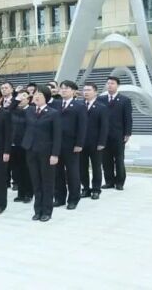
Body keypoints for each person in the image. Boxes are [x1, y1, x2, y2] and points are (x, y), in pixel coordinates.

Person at [22, 85, 61, 222]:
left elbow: (57, 136)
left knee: (47, 182)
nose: (36, 96)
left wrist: (55, 154)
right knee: (36, 182)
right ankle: (37, 210)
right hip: (31, 151)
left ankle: (47, 211)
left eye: (40, 94)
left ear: (46, 97)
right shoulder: (29, 111)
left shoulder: (53, 113)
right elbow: (11, 110)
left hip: (47, 153)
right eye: (35, 94)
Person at [54, 80, 87, 210]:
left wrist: (79, 143)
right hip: (57, 144)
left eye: (66, 88)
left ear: (73, 91)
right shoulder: (55, 104)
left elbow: (82, 127)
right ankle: (59, 198)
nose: (63, 90)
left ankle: (73, 199)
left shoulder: (79, 106)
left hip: (72, 144)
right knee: (58, 172)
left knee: (72, 173)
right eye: (61, 88)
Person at [97, 76, 132, 190]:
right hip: (104, 135)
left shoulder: (124, 100)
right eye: (108, 83)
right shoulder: (100, 99)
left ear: (117, 85)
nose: (109, 85)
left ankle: (120, 182)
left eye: (112, 83)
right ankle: (109, 181)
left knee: (119, 159)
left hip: (118, 135)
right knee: (106, 160)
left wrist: (127, 133)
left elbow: (128, 118)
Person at [80, 82, 109, 200]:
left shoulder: (102, 107)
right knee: (82, 167)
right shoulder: (79, 105)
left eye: (89, 90)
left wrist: (102, 142)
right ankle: (85, 188)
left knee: (96, 167)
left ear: (95, 92)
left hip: (96, 143)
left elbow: (104, 126)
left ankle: (96, 189)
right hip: (81, 143)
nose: (86, 92)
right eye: (84, 90)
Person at [10, 90, 33, 203]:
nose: (21, 99)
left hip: (26, 145)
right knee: (17, 170)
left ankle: (29, 193)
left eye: (24, 97)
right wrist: (16, 100)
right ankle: (21, 193)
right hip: (14, 145)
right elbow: (8, 110)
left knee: (27, 170)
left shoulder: (31, 110)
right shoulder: (15, 110)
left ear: (29, 99)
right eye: (19, 97)